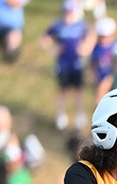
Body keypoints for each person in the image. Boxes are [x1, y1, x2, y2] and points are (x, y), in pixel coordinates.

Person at [41, 0, 94, 132]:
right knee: (62, 90)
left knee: (78, 90)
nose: (68, 15)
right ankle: (61, 115)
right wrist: (53, 49)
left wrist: (85, 49)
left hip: (77, 63)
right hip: (63, 64)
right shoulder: (58, 25)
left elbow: (91, 37)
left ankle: (80, 115)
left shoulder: (81, 25)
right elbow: (45, 37)